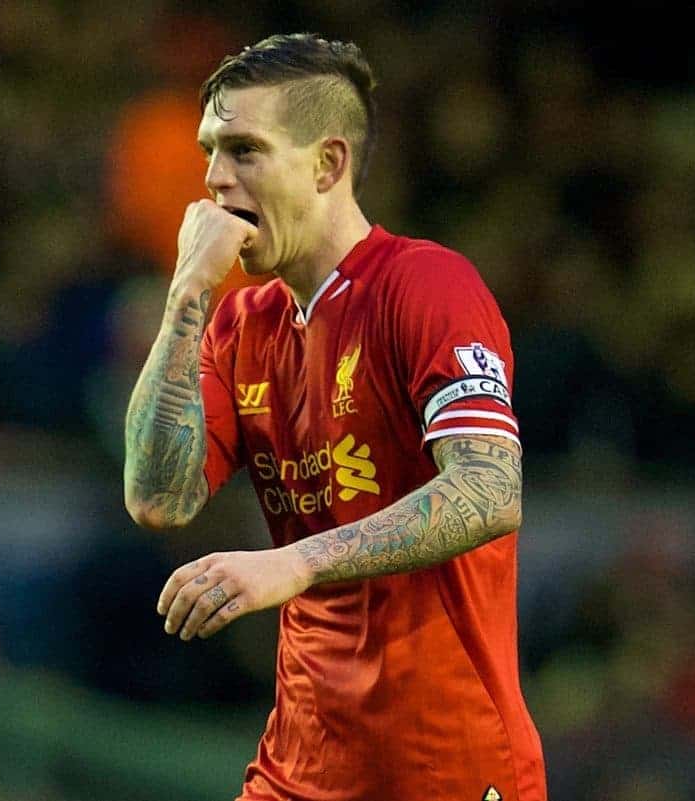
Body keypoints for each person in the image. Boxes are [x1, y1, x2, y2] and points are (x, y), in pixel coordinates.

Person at [123, 34, 546, 801]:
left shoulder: (427, 287)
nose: (215, 180)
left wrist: (295, 562)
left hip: (445, 766)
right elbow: (160, 495)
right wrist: (186, 298)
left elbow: (491, 488)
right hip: (301, 766)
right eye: (210, 150)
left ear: (327, 164)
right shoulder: (237, 324)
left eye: (245, 150)